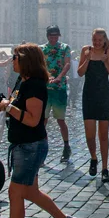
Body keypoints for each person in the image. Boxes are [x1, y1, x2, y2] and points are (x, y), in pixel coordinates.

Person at [0, 43, 77, 218]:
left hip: (30, 146)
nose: (12, 60)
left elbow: (32, 119)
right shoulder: (22, 82)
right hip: (23, 144)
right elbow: (17, 110)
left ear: (26, 60)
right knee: (31, 192)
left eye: (15, 56)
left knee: (16, 193)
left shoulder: (35, 85)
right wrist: (0, 107)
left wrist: (9, 107)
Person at [78, 28, 109, 183]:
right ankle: (93, 157)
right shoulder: (85, 50)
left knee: (103, 135)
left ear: (104, 40)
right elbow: (80, 72)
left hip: (104, 95)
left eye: (99, 40)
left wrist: (106, 61)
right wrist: (87, 60)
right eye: (94, 40)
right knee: (89, 135)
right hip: (89, 94)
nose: (96, 43)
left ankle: (105, 168)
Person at [40, 25, 73, 163]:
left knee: (60, 120)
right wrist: (47, 75)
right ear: (47, 36)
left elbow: (67, 64)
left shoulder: (64, 48)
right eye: (51, 36)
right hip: (45, 89)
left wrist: (59, 76)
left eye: (55, 36)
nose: (53, 39)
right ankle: (42, 150)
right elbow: (40, 65)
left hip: (59, 88)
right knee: (43, 121)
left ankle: (66, 145)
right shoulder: (42, 49)